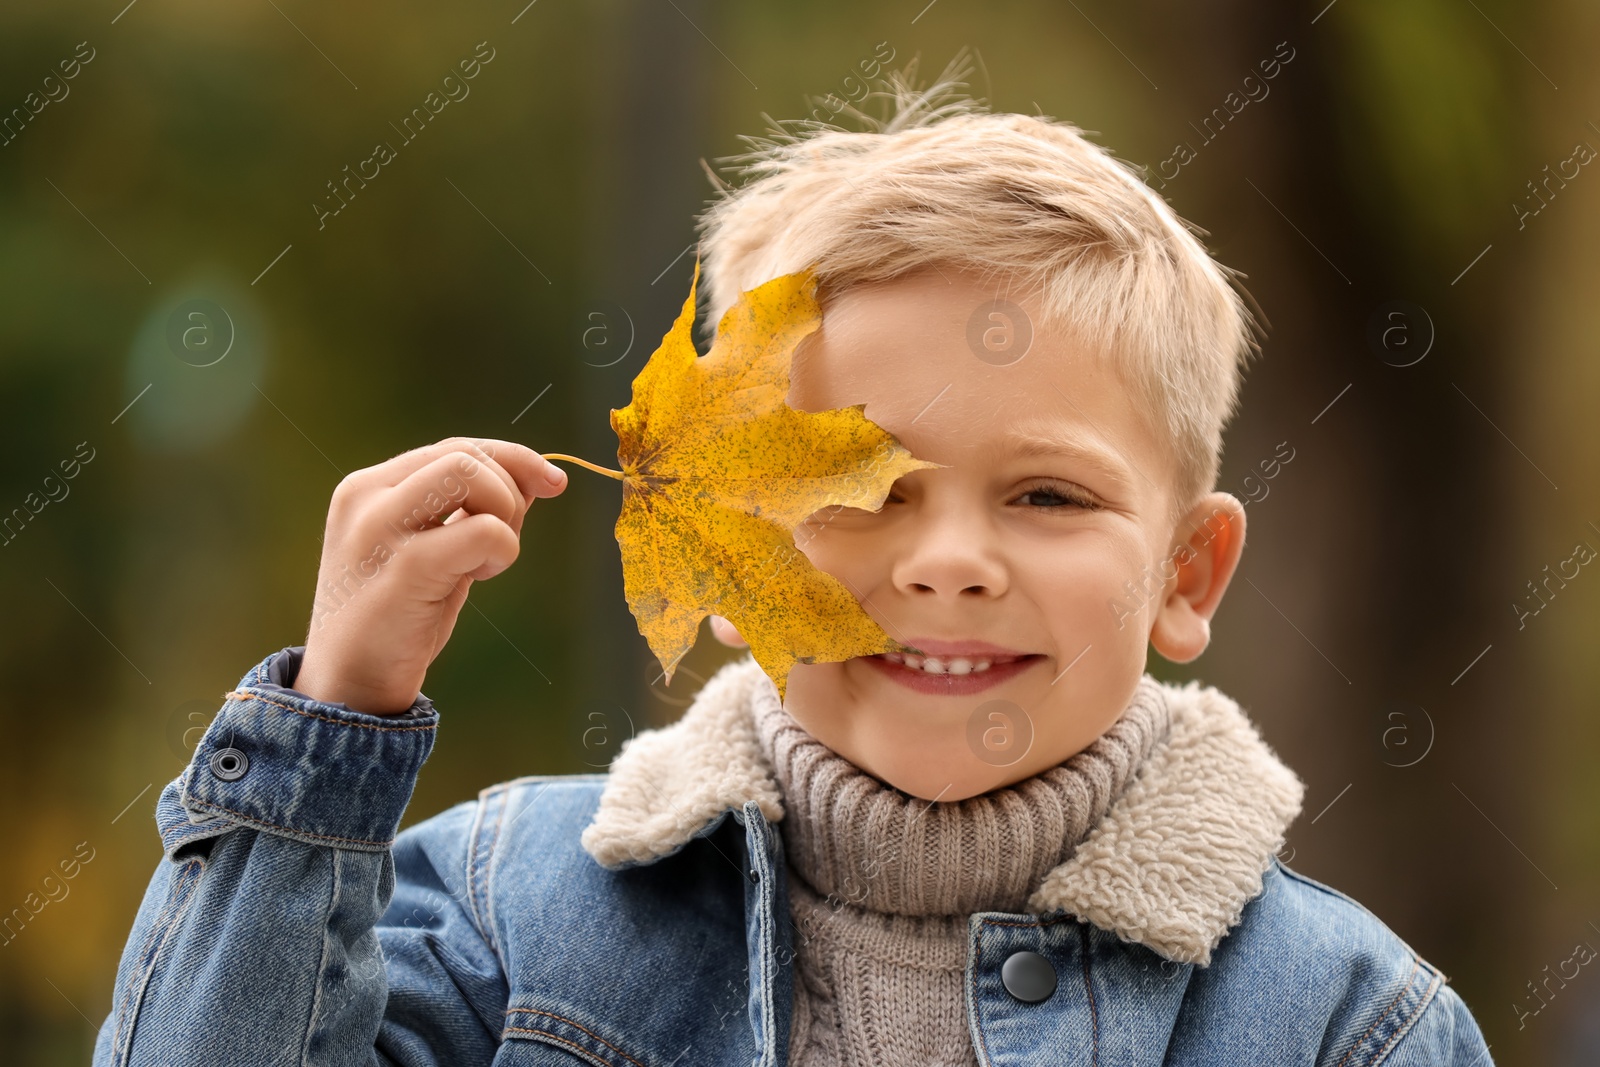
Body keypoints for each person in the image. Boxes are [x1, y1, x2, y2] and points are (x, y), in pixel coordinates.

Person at [94, 55, 1494, 1066]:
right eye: (861, 490)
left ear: (1189, 574)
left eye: (1050, 495)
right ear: (725, 541)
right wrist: (331, 729)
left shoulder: (1342, 1022)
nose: (950, 562)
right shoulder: (510, 916)